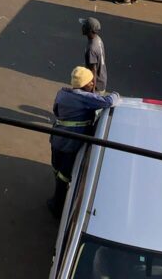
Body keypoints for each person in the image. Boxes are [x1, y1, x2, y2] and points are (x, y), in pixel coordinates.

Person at [47, 67, 118, 218]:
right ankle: (59, 206)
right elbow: (109, 101)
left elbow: (56, 110)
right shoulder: (84, 98)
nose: (93, 83)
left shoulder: (62, 93)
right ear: (84, 84)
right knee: (65, 176)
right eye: (90, 81)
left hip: (57, 138)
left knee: (57, 169)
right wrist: (116, 94)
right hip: (70, 142)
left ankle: (56, 200)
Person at [81, 18, 108, 93]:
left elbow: (93, 70)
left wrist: (92, 91)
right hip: (102, 79)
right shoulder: (98, 39)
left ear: (89, 30)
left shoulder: (91, 49)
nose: (82, 27)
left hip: (96, 86)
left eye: (84, 26)